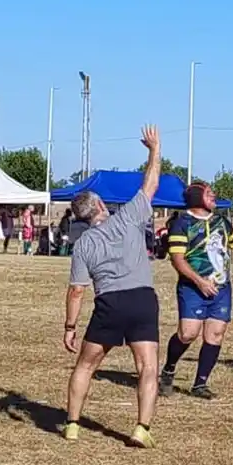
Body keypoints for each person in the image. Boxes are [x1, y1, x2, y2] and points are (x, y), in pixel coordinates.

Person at [63, 126, 165, 448]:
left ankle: (72, 425)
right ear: (102, 206)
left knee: (86, 365)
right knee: (147, 366)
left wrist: (69, 326)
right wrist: (154, 150)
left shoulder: (82, 244)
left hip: (108, 304)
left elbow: (77, 290)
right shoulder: (129, 217)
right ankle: (141, 428)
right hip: (140, 300)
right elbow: (150, 183)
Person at [160, 182, 233, 399]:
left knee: (215, 334)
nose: (214, 196)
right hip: (193, 288)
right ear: (197, 198)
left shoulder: (222, 222)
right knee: (188, 333)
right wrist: (200, 281)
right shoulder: (182, 224)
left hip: (221, 289)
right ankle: (168, 369)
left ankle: (200, 384)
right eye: (209, 193)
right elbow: (178, 260)